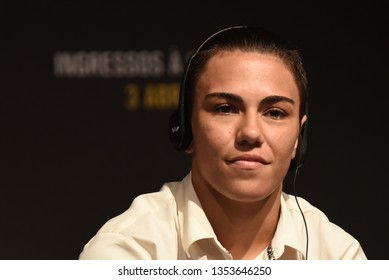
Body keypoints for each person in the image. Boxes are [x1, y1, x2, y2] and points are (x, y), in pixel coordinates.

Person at [79, 26, 367, 260]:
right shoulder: (126, 253)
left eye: (275, 113)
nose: (250, 133)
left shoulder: (338, 255)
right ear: (185, 130)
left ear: (298, 140)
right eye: (225, 108)